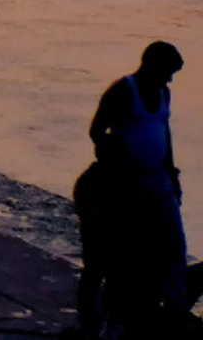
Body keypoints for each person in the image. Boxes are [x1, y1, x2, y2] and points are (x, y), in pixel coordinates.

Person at [84, 41, 187, 332]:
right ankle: (116, 309)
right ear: (151, 65)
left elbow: (164, 133)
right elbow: (96, 131)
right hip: (130, 183)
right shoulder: (122, 91)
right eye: (168, 72)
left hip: (160, 179)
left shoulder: (163, 92)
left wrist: (173, 175)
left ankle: (175, 306)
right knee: (133, 247)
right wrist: (114, 159)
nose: (170, 80)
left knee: (174, 243)